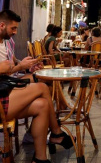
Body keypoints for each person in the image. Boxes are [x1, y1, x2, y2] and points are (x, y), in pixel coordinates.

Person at [0, 10, 74, 163]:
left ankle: (40, 159)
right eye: (13, 28)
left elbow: (13, 64)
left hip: (6, 89)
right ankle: (56, 132)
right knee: (42, 87)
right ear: (2, 25)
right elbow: (8, 69)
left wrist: (26, 66)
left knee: (43, 105)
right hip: (1, 98)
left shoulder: (5, 42)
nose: (15, 32)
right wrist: (17, 67)